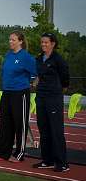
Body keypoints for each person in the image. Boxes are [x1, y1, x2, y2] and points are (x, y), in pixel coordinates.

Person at [0, 31, 36, 162]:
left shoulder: (26, 57)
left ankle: (19, 154)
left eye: (13, 40)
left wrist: (31, 84)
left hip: (20, 93)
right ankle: (2, 153)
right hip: (7, 92)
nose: (10, 42)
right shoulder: (8, 55)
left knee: (19, 124)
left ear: (20, 41)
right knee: (5, 124)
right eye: (9, 39)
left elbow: (37, 73)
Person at [33, 32, 70, 172]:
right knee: (43, 129)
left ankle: (62, 163)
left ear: (53, 44)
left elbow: (65, 76)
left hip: (53, 98)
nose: (43, 44)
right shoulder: (38, 59)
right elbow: (38, 75)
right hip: (41, 97)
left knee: (56, 130)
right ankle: (47, 160)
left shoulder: (58, 59)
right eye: (42, 42)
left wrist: (60, 88)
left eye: (46, 42)